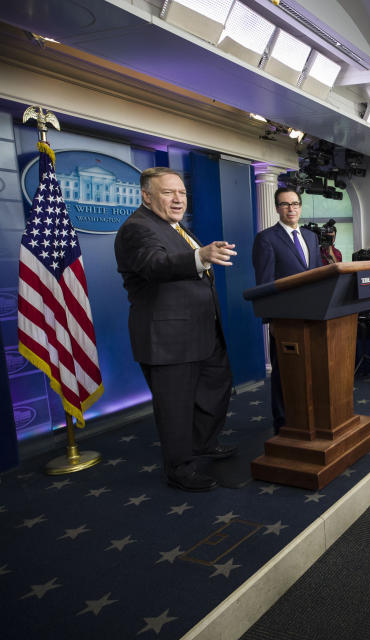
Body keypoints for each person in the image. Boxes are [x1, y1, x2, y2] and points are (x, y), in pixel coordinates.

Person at [114, 167, 237, 492]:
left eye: (181, 193)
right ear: (147, 196)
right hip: (167, 339)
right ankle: (180, 469)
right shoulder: (137, 229)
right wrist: (200, 255)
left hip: (202, 332)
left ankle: (203, 443)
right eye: (169, 192)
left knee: (215, 388)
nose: (178, 199)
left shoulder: (177, 228)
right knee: (175, 408)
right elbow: (155, 265)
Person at [252, 187, 323, 433]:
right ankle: (282, 423)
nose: (291, 208)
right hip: (285, 321)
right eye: (285, 204)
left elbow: (318, 276)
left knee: (312, 369)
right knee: (283, 373)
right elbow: (265, 284)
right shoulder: (266, 238)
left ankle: (309, 417)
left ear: (300, 207)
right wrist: (272, 321)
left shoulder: (311, 237)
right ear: (277, 208)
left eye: (295, 204)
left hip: (313, 316)